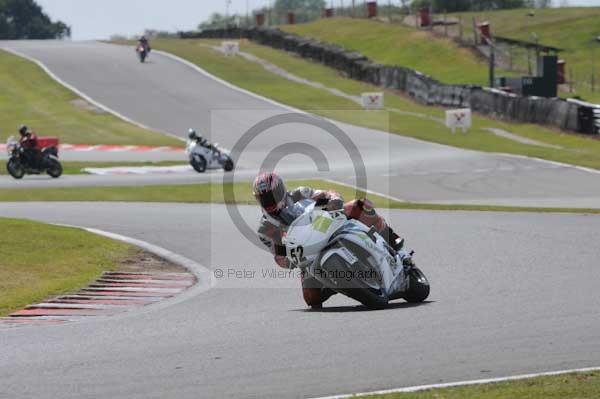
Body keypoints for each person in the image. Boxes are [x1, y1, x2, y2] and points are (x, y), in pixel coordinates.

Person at [254, 172, 405, 308]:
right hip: (306, 254)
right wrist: (289, 258)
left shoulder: (300, 193)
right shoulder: (265, 229)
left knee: (359, 205)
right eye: (264, 198)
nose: (269, 202)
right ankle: (337, 282)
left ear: (281, 190)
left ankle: (393, 240)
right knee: (311, 298)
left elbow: (328, 194)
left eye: (271, 196)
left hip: (323, 226)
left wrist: (334, 200)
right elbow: (278, 256)